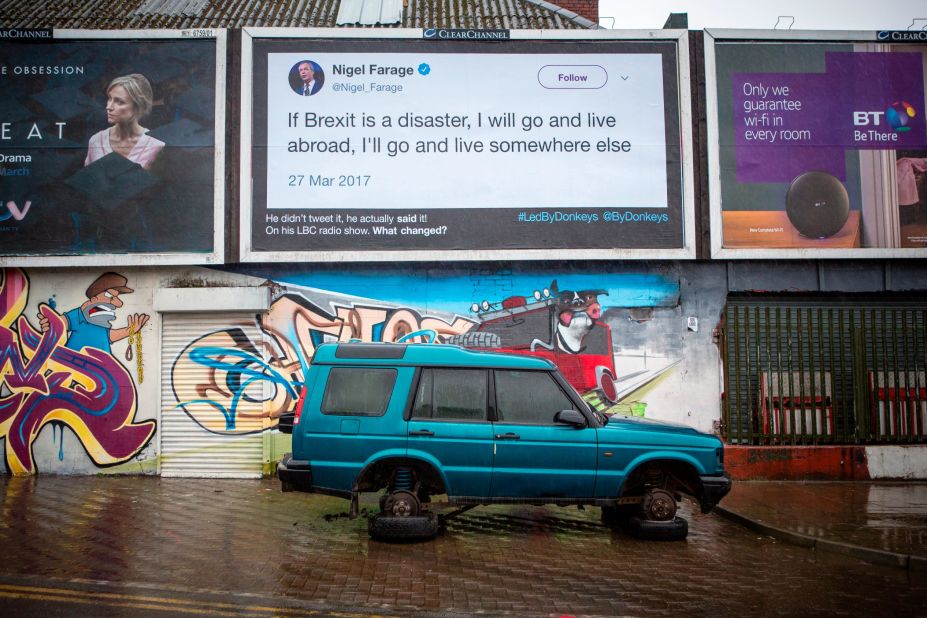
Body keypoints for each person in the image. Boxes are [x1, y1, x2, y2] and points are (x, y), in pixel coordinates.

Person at [38, 272, 149, 354]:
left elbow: (109, 336)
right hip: (74, 369)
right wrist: (49, 323)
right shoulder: (79, 315)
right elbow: (60, 323)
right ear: (94, 298)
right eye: (111, 296)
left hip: (101, 374)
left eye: (117, 298)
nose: (118, 303)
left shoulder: (102, 323)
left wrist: (130, 331)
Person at [85, 73, 165, 170]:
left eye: (119, 102)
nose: (109, 107)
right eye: (109, 98)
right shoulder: (96, 141)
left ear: (138, 106)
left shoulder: (155, 145)